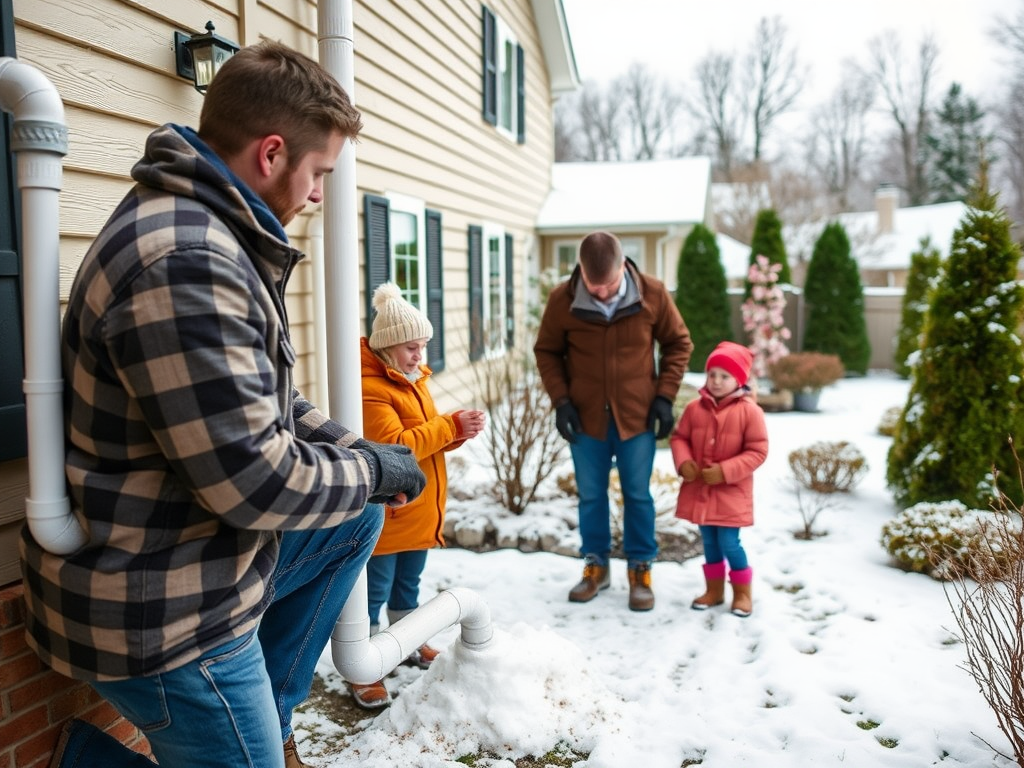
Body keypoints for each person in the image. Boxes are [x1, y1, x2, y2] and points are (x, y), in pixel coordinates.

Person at [20, 41, 427, 768]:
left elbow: (267, 403)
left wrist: (359, 456)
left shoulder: (212, 237)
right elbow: (254, 481)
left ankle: (264, 721)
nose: (319, 195)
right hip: (162, 607)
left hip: (191, 557)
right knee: (359, 497)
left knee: (354, 516)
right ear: (272, 154)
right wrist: (372, 473)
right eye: (319, 173)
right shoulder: (187, 264)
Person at [533, 230, 693, 611]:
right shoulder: (563, 299)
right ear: (581, 272)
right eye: (593, 285)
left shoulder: (652, 293)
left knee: (638, 495)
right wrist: (562, 402)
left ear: (624, 266)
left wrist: (665, 398)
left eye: (608, 285)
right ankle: (596, 565)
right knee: (591, 496)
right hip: (585, 420)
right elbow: (547, 351)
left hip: (637, 417)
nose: (601, 292)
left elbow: (678, 343)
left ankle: (640, 569)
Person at [351, 282, 486, 709]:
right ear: (389, 347)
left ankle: (405, 642)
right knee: (375, 591)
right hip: (389, 515)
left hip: (419, 512)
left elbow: (423, 442)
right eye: (412, 347)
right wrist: (448, 426)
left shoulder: (412, 380)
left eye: (423, 346)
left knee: (408, 587)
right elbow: (396, 447)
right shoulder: (371, 388)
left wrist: (455, 433)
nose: (419, 356)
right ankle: (363, 666)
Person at [669, 341, 769, 617]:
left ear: (739, 379)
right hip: (701, 489)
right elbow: (680, 438)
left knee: (729, 542)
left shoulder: (749, 412)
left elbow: (758, 451)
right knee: (709, 542)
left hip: (731, 492)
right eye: (712, 374)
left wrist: (725, 471)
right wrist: (684, 462)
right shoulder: (694, 408)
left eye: (724, 376)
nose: (716, 381)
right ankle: (714, 591)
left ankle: (742, 593)